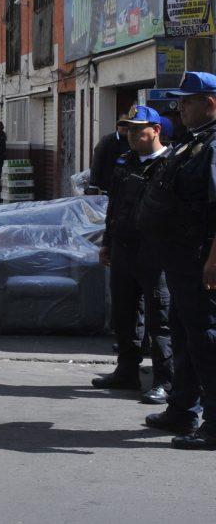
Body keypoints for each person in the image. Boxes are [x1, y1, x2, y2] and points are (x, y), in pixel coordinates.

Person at [138, 72, 216, 450]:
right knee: (186, 334)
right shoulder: (193, 144)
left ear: (210, 103)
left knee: (207, 339)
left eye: (187, 101)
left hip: (203, 259)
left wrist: (213, 262)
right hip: (181, 257)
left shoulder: (214, 146)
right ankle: (182, 407)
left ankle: (214, 423)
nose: (179, 107)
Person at [92, 106, 172, 405]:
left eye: (140, 129)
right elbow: (115, 206)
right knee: (124, 314)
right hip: (123, 249)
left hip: (155, 253)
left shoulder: (170, 163)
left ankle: (165, 380)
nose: (133, 135)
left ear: (156, 130)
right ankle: (126, 371)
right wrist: (107, 241)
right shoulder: (125, 162)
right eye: (129, 129)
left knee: (159, 317)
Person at [90, 115, 130, 192]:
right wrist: (93, 185)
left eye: (127, 124)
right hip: (107, 187)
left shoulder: (132, 141)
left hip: (125, 187)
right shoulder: (107, 140)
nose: (125, 127)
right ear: (117, 125)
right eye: (122, 124)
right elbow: (97, 161)